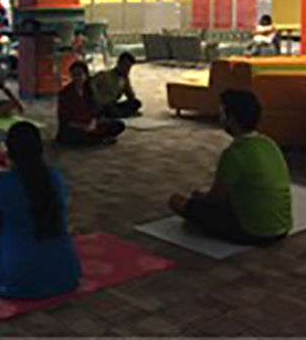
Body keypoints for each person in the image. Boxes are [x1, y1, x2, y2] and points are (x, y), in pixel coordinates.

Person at [0, 122, 81, 298]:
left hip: (18, 274)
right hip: (64, 271)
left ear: (10, 151)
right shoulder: (54, 178)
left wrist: (3, 175)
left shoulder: (6, 184)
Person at [169, 90, 292, 245]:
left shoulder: (234, 154)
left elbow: (216, 200)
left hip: (252, 232)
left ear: (231, 118)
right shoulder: (269, 144)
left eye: (222, 113)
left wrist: (199, 199)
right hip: (282, 228)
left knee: (177, 201)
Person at [57, 61, 125, 146]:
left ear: (86, 75)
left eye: (80, 74)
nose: (77, 78)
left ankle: (96, 139)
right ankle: (98, 139)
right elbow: (64, 119)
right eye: (74, 75)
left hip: (90, 124)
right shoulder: (65, 93)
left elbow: (94, 111)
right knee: (71, 135)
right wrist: (82, 127)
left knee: (118, 125)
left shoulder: (89, 91)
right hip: (75, 127)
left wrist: (93, 123)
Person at [90, 52, 142, 119]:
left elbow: (131, 96)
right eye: (125, 65)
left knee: (136, 103)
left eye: (129, 67)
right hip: (102, 106)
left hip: (113, 105)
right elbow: (90, 87)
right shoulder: (104, 75)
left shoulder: (124, 79)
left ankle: (120, 114)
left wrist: (126, 81)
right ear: (119, 63)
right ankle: (118, 115)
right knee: (111, 110)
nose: (126, 69)